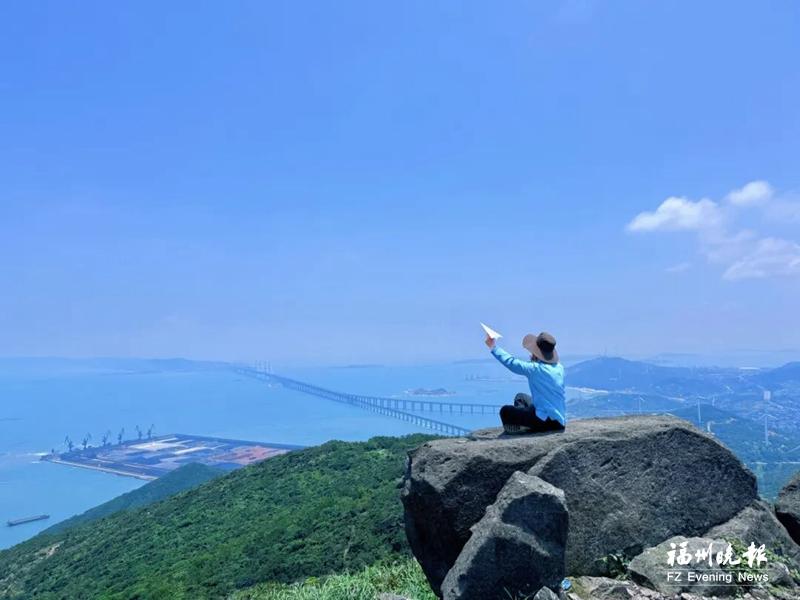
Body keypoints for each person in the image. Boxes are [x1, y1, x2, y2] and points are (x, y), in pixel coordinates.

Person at [485, 331, 566, 434]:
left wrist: (493, 346)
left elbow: (511, 363)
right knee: (521, 397)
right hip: (559, 421)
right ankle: (524, 424)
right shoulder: (559, 368)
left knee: (505, 411)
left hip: (545, 422)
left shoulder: (534, 369)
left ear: (537, 352)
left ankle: (524, 426)